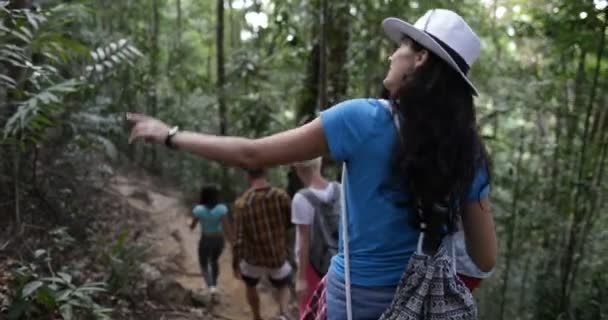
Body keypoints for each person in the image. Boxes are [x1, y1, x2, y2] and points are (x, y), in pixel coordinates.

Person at [127, 8, 497, 320]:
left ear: (420, 58)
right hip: (423, 304)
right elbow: (484, 257)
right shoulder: (469, 153)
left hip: (354, 299)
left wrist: (170, 135)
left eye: (402, 46)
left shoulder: (362, 119)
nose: (392, 55)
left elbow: (251, 154)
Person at [232, 169, 293, 320]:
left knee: (250, 285)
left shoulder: (242, 203)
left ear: (247, 176)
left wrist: (235, 263)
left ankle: (257, 316)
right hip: (277, 254)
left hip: (253, 258)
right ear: (266, 174)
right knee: (283, 285)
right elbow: (290, 223)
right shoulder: (281, 196)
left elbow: (239, 237)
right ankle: (284, 314)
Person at [291, 158, 340, 317]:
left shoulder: (301, 198)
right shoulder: (340, 189)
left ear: (298, 169)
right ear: (319, 165)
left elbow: (304, 241)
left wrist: (301, 278)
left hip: (312, 266)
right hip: (339, 262)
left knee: (309, 310)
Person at [189, 184, 232, 297]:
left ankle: (210, 287)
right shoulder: (222, 208)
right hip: (219, 239)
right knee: (214, 261)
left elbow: (192, 226)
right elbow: (227, 228)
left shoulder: (198, 209)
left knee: (203, 264)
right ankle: (215, 284)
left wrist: (191, 222)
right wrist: (233, 242)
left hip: (206, 239)